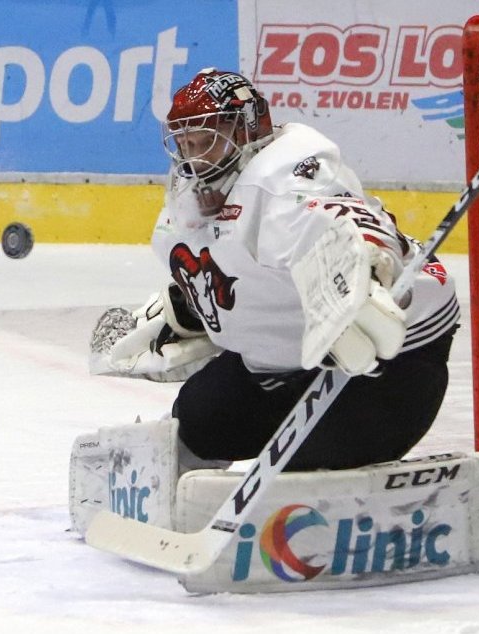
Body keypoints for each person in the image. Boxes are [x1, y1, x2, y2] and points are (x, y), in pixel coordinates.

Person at [90, 68, 459, 471]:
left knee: (308, 469)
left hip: (394, 354)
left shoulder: (285, 178)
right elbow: (231, 272)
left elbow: (338, 224)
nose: (194, 160)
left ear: (246, 131)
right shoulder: (190, 204)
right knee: (200, 418)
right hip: (289, 364)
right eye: (186, 144)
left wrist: (367, 275)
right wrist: (182, 312)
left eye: (207, 142)